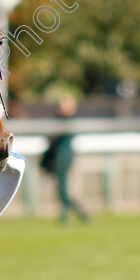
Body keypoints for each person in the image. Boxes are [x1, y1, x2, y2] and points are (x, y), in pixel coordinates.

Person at [40, 95, 88, 224]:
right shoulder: (60, 119)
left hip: (64, 158)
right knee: (61, 189)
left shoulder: (69, 121)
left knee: (62, 189)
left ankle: (74, 213)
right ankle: (67, 214)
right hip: (59, 157)